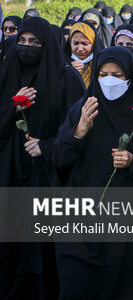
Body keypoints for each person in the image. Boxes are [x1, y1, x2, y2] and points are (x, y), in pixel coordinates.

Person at [52, 47, 133, 298]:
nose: (109, 80)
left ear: (130, 78)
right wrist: (78, 133)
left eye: (117, 74)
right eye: (102, 74)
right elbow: (58, 159)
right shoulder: (82, 110)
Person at [0, 17, 84, 298]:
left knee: (45, 251)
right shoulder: (6, 70)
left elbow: (77, 127)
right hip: (8, 175)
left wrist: (47, 146)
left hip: (49, 177)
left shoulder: (66, 77)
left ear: (47, 45)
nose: (26, 48)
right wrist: (12, 107)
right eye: (21, 41)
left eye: (34, 43)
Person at [65, 22, 101, 88]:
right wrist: (68, 71)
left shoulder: (101, 63)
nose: (80, 49)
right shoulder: (62, 63)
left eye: (85, 43)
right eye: (75, 43)